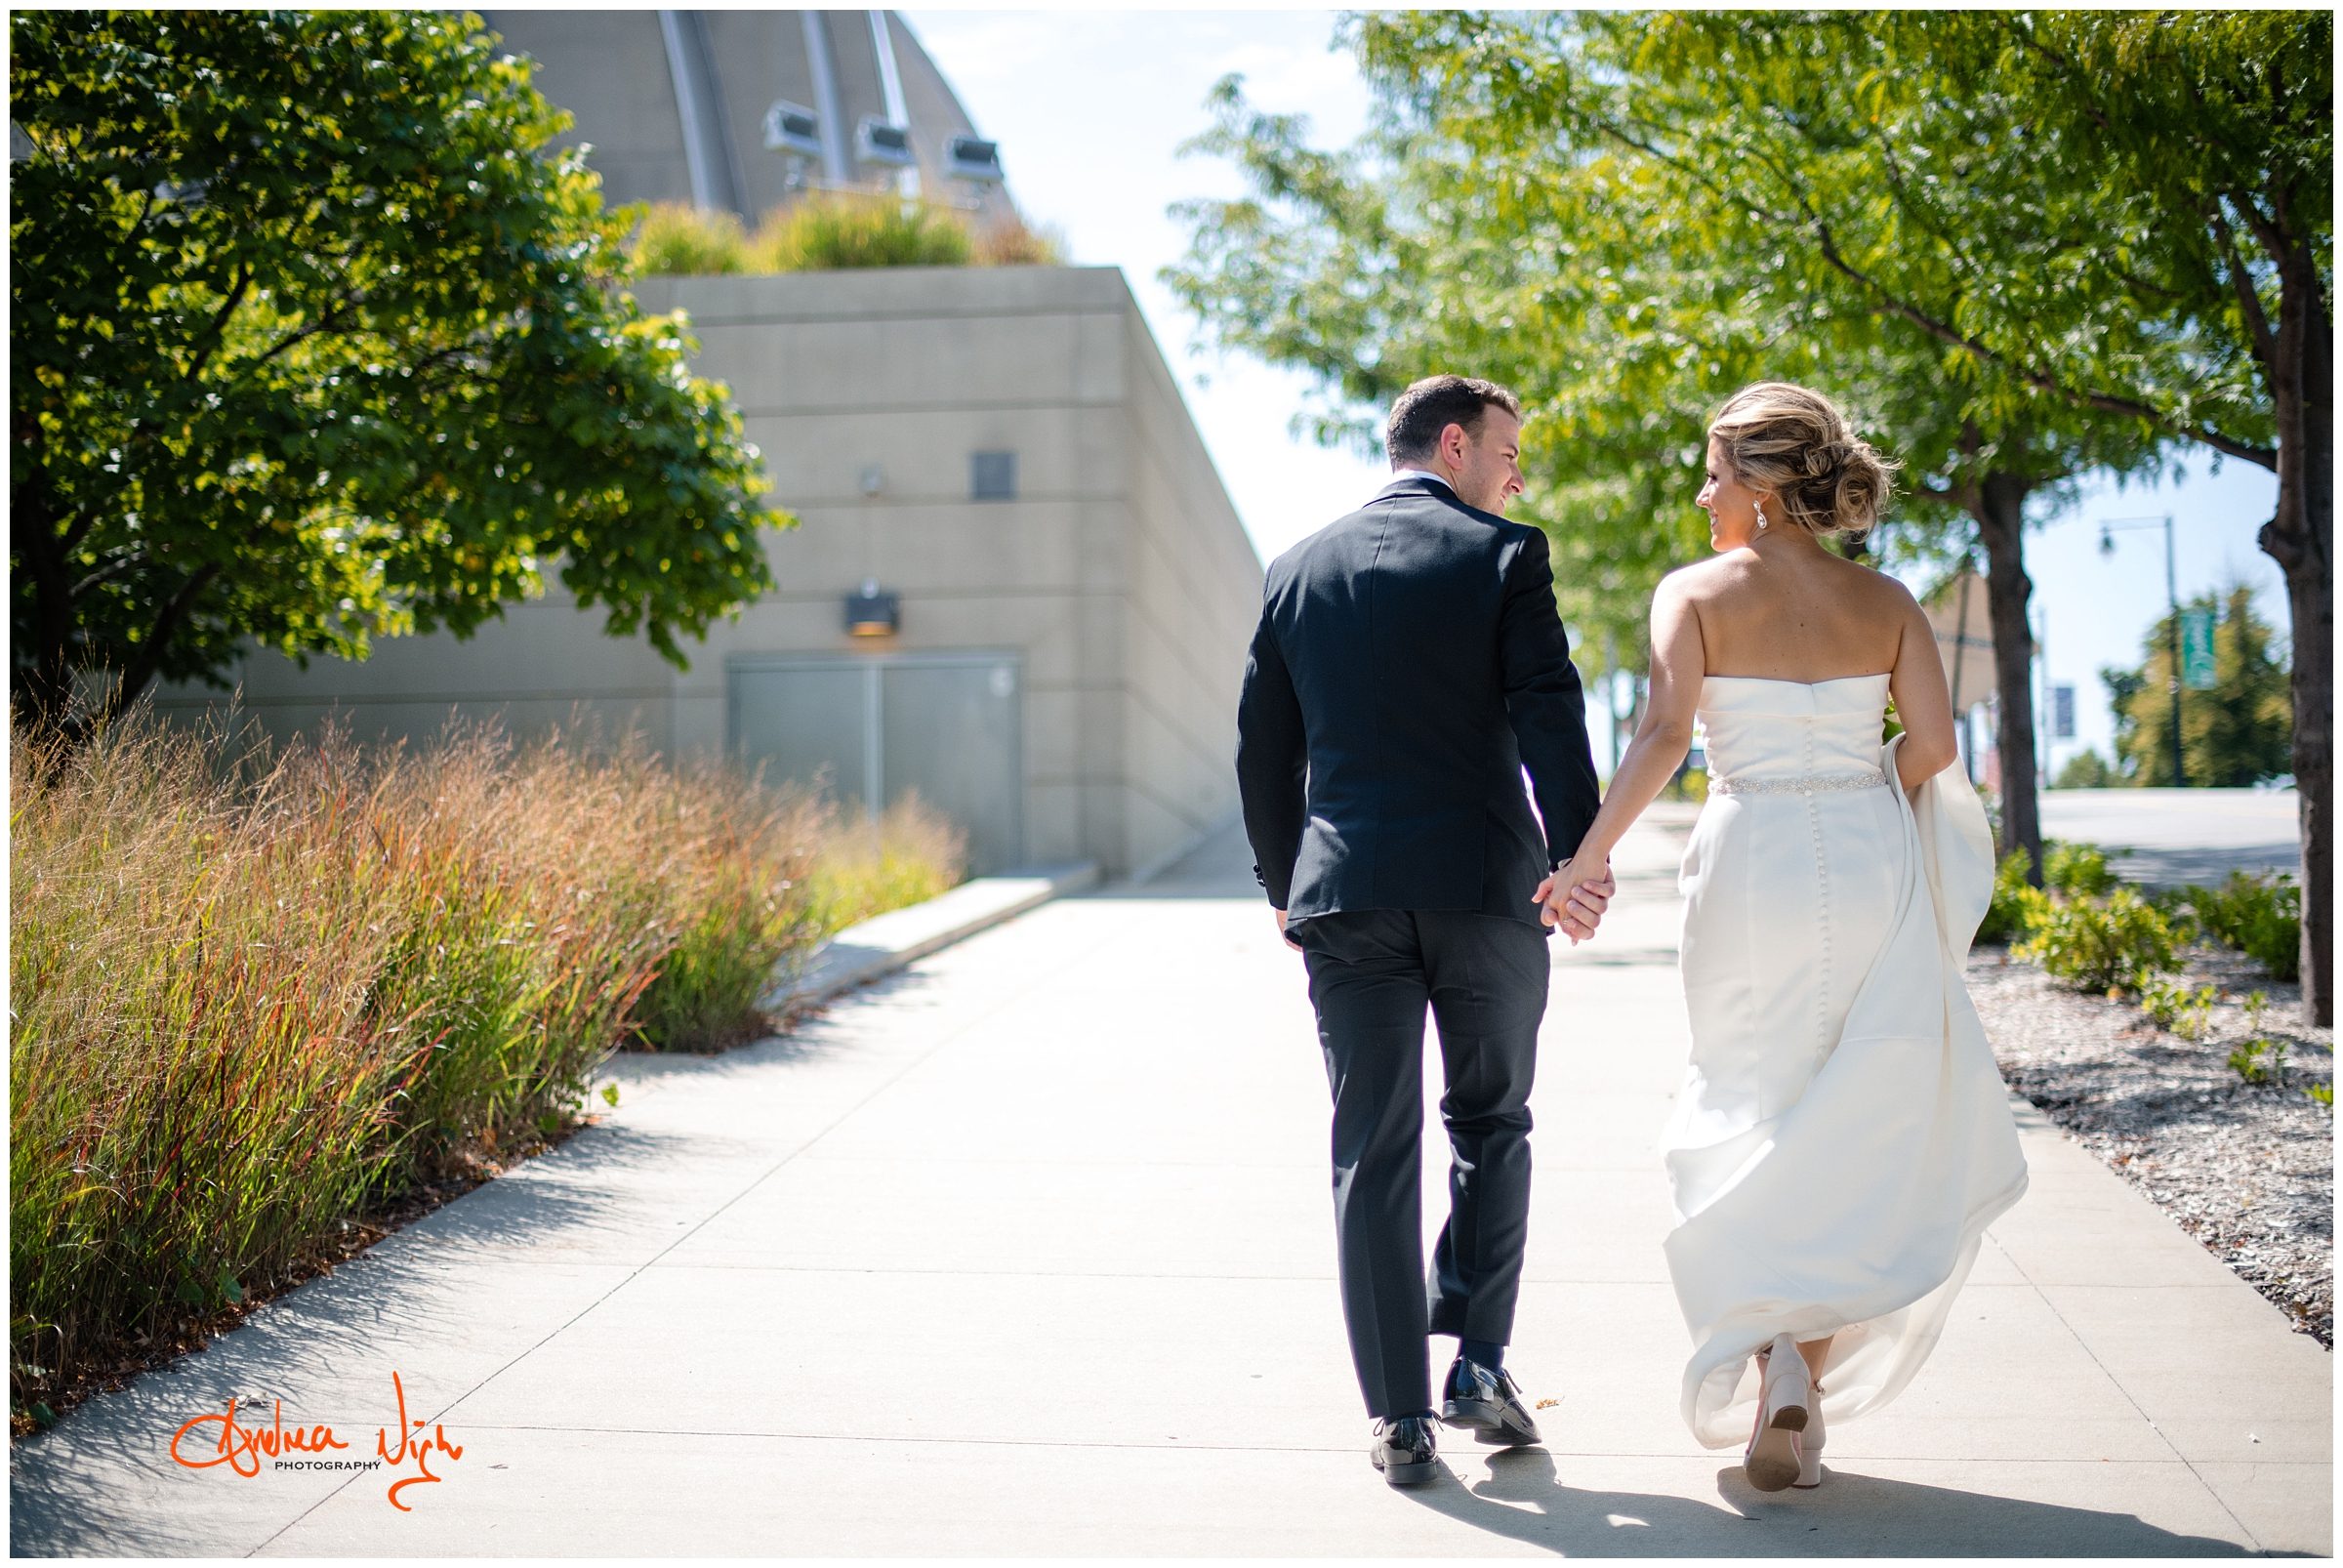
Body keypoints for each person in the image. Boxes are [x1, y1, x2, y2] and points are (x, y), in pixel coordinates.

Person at [1540, 382, 2030, 1492]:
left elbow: (1664, 735)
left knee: (1749, 1095)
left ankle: (1778, 1360)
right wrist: (1859, 782)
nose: (1702, 494)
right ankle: (1799, 1365)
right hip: (1866, 854)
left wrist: (1586, 859)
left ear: (1760, 488)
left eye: (1714, 474)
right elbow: (1934, 750)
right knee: (1851, 1106)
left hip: (1751, 856)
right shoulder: (1887, 599)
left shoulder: (1693, 593)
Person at [1235, 374, 1613, 1486]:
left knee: (1371, 1144)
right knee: (1491, 1119)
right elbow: (1551, 714)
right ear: (1455, 444)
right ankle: (1478, 1362)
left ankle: (1398, 1416)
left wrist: (1285, 883)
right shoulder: (1505, 556)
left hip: (1347, 896)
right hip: (1487, 889)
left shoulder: (1296, 569)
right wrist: (1577, 861)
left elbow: (1262, 750)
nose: (1517, 476)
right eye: (1508, 451)